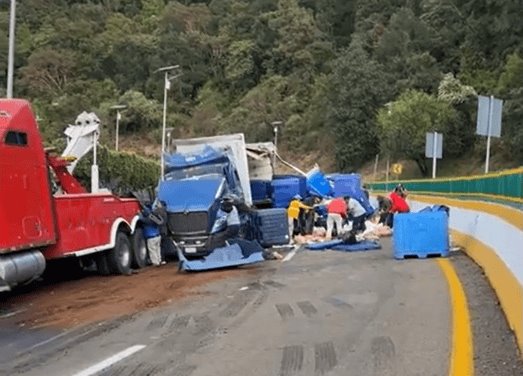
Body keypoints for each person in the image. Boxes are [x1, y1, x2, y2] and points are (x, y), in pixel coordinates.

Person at [140, 202, 165, 266]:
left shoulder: (146, 220)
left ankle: (156, 262)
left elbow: (140, 218)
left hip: (151, 237)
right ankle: (159, 260)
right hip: (158, 236)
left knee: (152, 250)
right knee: (157, 249)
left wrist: (139, 213)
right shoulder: (154, 217)